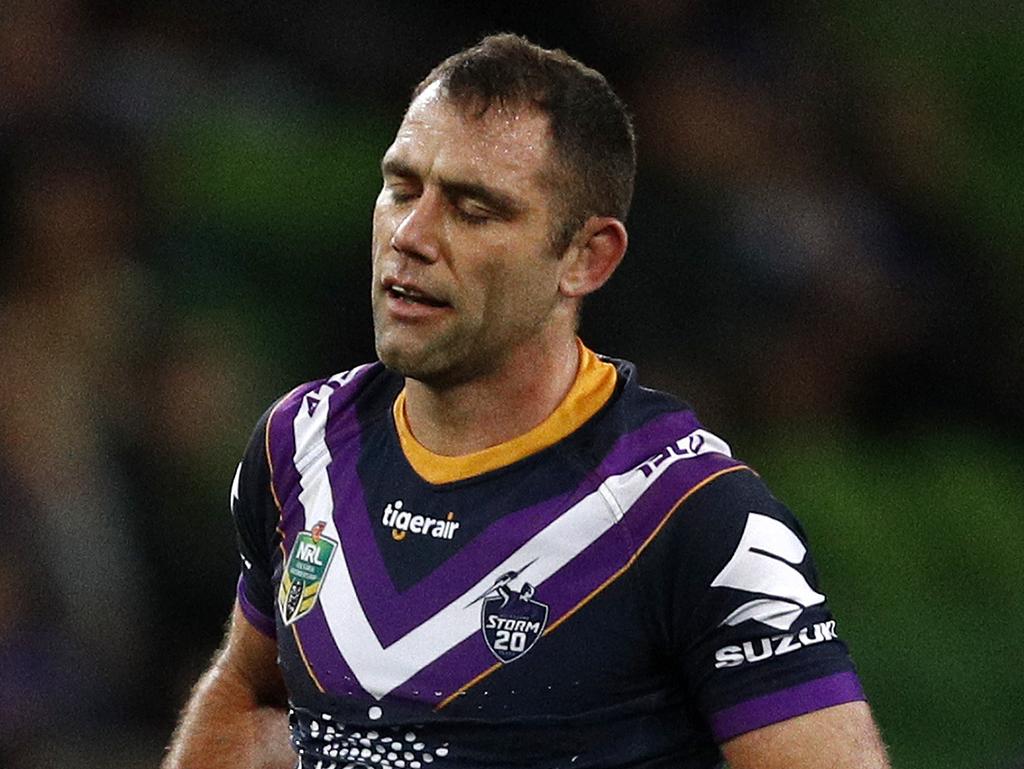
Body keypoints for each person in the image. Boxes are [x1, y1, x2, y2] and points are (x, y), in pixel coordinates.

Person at [162, 33, 890, 769]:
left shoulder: (689, 514)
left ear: (586, 257)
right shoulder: (300, 443)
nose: (411, 237)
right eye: (402, 188)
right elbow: (252, 692)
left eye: (474, 209)